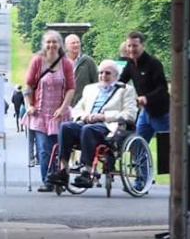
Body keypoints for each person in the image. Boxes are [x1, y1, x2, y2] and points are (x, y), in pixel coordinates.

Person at [46, 60, 138, 188]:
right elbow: (77, 109)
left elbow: (130, 114)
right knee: (65, 127)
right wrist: (85, 116)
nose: (103, 76)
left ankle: (87, 172)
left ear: (116, 76)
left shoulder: (126, 90)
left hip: (109, 127)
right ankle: (63, 171)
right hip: (88, 122)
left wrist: (104, 116)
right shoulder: (90, 89)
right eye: (100, 73)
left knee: (88, 129)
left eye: (107, 73)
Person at [24, 30, 75, 192]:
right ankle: (48, 181)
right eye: (48, 42)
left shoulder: (66, 64)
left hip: (59, 114)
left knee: (59, 148)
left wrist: (63, 108)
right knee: (44, 149)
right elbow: (28, 85)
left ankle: (59, 178)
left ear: (60, 44)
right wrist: (29, 105)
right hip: (40, 114)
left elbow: (71, 88)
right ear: (43, 44)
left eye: (54, 42)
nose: (51, 45)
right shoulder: (37, 61)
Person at [118, 30, 169, 142]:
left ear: (142, 45)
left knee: (165, 145)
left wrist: (146, 98)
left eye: (135, 46)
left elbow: (162, 88)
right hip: (145, 112)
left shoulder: (153, 63)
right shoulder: (130, 64)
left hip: (161, 113)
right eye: (129, 46)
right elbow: (121, 82)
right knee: (137, 144)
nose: (131, 49)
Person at [64, 34, 98, 107]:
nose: (76, 45)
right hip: (64, 104)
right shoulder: (61, 62)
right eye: (73, 43)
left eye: (78, 42)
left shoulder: (88, 61)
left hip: (83, 103)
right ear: (66, 46)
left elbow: (96, 81)